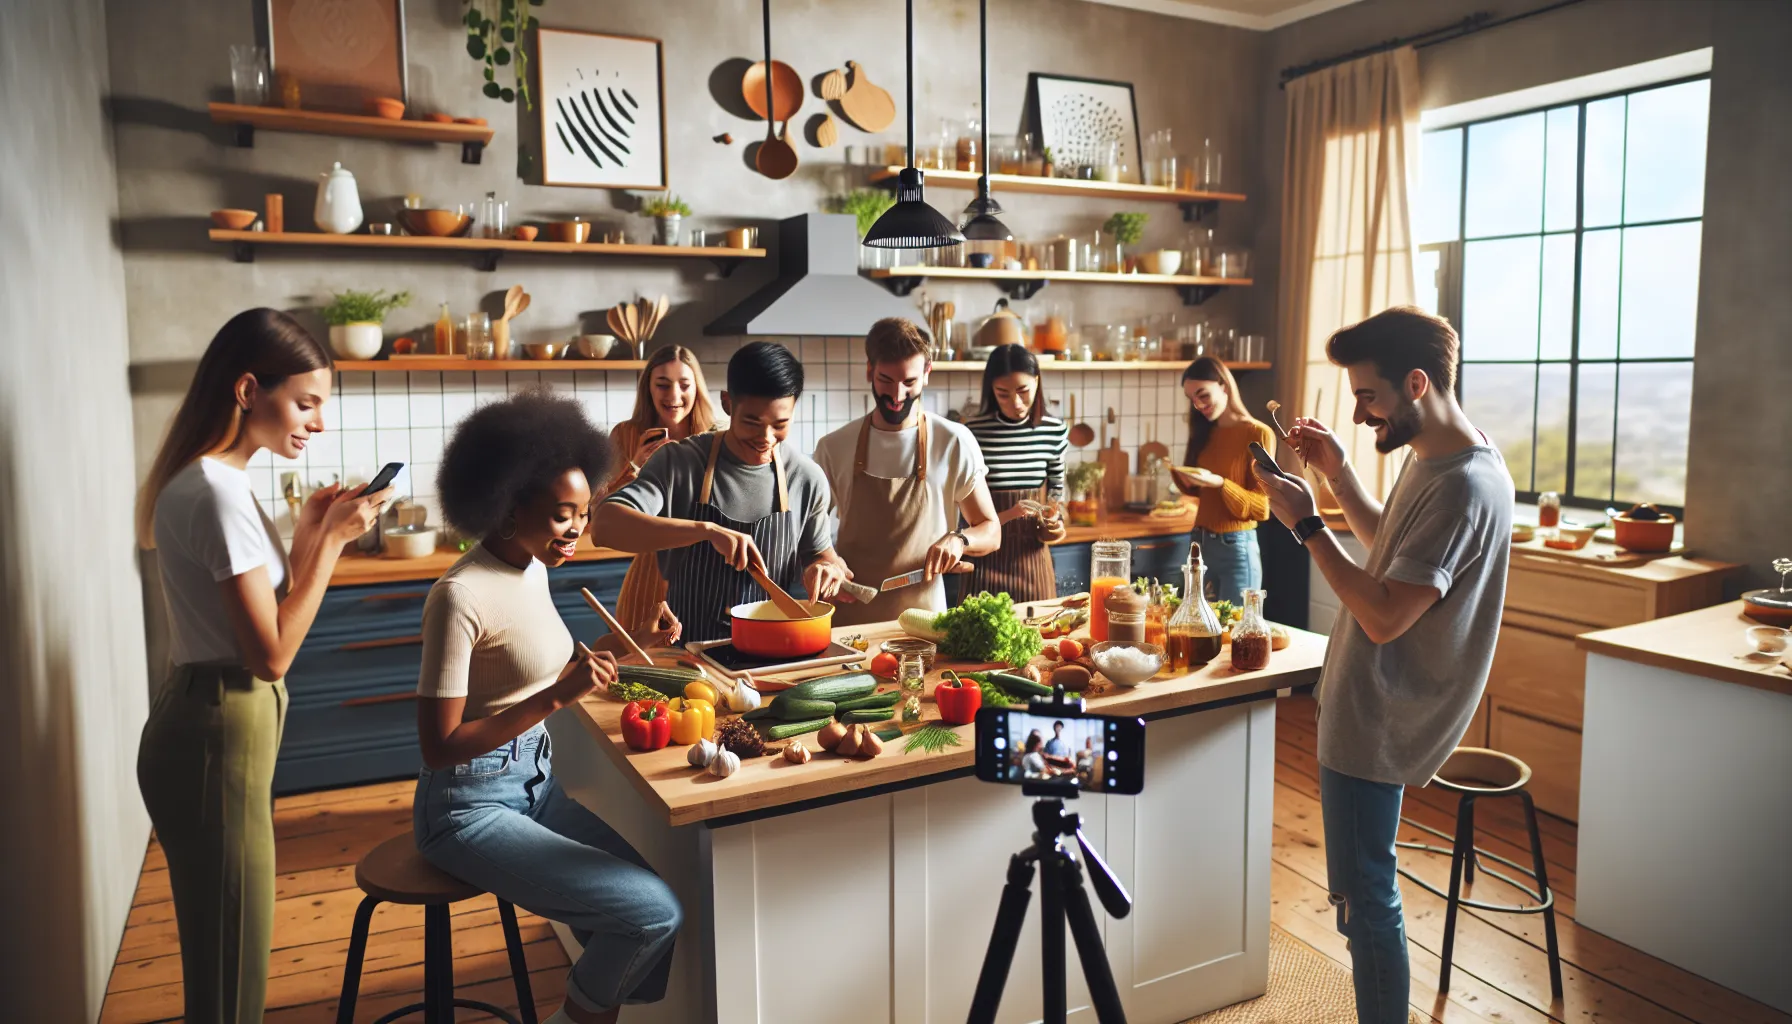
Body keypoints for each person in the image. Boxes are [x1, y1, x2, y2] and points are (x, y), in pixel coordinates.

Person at [1252, 307, 1513, 1024]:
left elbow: (1383, 613)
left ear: (1417, 382)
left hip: (1384, 713)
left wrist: (1304, 525)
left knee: (1366, 896)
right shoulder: (1439, 458)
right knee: (1361, 894)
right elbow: (1387, 547)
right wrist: (1335, 475)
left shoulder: (1463, 484)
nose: (1361, 413)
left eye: (1368, 396)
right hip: (1367, 701)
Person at [134, 308, 390, 1023]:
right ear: (249, 390)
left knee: (227, 958)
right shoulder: (217, 494)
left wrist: (308, 536)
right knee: (231, 971)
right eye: (306, 403)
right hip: (219, 731)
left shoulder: (215, 481)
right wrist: (333, 547)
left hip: (211, 724)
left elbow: (265, 616)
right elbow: (271, 653)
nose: (317, 423)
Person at [415, 387, 685, 1024]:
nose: (579, 530)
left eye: (583, 512)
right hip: (466, 809)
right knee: (652, 912)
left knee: (645, 908)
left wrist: (635, 640)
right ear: (509, 507)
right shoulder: (459, 597)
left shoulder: (531, 566)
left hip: (534, 786)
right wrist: (557, 698)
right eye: (564, 515)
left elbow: (553, 668)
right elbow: (439, 745)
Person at [594, 341, 849, 643]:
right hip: (687, 659)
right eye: (752, 422)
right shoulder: (678, 462)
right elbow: (604, 526)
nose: (766, 438)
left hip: (770, 654)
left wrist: (826, 569)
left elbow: (822, 555)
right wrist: (707, 531)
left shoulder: (806, 478)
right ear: (728, 404)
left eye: (780, 424)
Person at [813, 317, 1001, 626]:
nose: (897, 395)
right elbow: (808, 534)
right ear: (869, 370)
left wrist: (959, 540)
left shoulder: (952, 441)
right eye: (885, 380)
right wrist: (823, 562)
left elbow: (991, 530)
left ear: (927, 373)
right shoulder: (835, 446)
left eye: (909, 382)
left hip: (927, 625)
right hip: (849, 626)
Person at [600, 345, 718, 625]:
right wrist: (636, 467)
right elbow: (601, 513)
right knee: (642, 664)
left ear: (697, 389)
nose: (674, 396)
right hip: (648, 578)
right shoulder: (626, 435)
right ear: (648, 389)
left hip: (709, 578)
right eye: (662, 385)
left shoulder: (717, 438)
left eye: (684, 385)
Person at [960, 343, 1069, 602]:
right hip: (984, 564)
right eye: (1003, 394)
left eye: (1023, 391)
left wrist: (1054, 523)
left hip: (1033, 566)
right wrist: (1011, 514)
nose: (1016, 403)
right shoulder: (971, 432)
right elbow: (964, 518)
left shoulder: (1054, 431)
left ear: (1037, 382)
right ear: (991, 391)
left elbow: (1056, 498)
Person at [1168, 356, 1278, 605]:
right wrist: (1185, 477)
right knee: (1194, 632)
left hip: (1236, 550)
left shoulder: (1258, 433)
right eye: (1192, 399)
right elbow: (1203, 494)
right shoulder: (1204, 431)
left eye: (1203, 395)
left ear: (1224, 385)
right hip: (1199, 543)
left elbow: (1262, 507)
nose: (1197, 404)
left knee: (1235, 634)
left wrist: (1220, 483)